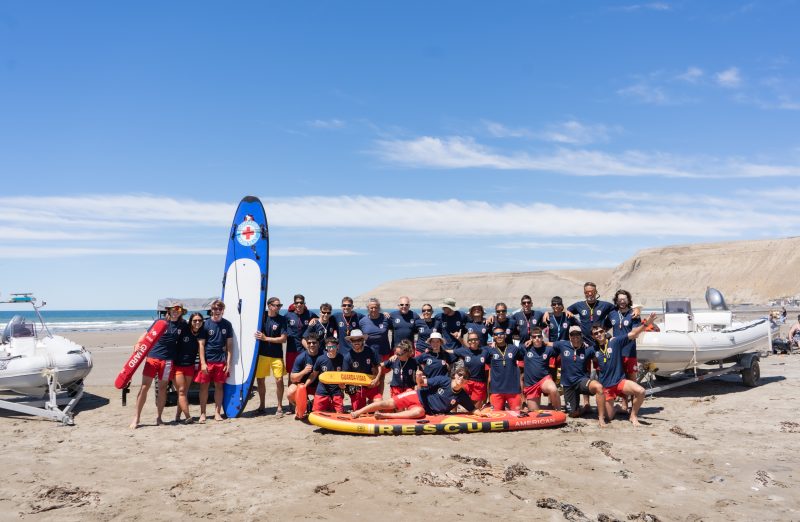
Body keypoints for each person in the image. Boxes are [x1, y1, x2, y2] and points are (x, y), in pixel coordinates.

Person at [591, 312, 657, 427]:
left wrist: (647, 323)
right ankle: (617, 408)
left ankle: (633, 416)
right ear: (593, 336)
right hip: (606, 387)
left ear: (605, 331)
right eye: (596, 333)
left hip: (619, 382)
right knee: (609, 417)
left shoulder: (615, 342)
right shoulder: (593, 349)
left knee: (641, 391)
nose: (599, 334)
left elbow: (633, 333)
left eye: (601, 331)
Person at [350, 366, 485, 420]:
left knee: (419, 413)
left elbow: (472, 409)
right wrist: (419, 377)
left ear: (467, 381)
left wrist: (483, 414)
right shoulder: (443, 380)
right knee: (387, 403)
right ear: (455, 375)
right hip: (416, 396)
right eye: (460, 375)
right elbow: (423, 383)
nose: (461, 378)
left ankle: (385, 416)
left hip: (424, 409)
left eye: (465, 377)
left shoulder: (461, 395)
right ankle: (358, 412)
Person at [129, 303, 186, 429]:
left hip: (168, 361)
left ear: (182, 312)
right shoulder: (160, 322)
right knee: (144, 387)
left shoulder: (182, 325)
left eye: (178, 309)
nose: (175, 311)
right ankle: (136, 417)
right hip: (153, 358)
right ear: (169, 310)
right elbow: (146, 334)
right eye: (173, 309)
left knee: (162, 389)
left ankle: (159, 417)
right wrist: (138, 343)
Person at [196, 299, 233, 422]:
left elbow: (229, 345)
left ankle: (217, 413)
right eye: (215, 309)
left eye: (219, 309)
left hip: (221, 361)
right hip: (208, 361)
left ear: (223, 310)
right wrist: (203, 363)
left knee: (219, 387)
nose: (217, 311)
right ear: (211, 310)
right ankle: (203, 414)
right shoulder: (205, 324)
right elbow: (201, 345)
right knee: (204, 388)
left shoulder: (227, 324)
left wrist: (228, 363)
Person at [555, 326, 603, 420]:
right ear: (569, 336)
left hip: (581, 381)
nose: (575, 337)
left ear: (581, 335)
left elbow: (599, 355)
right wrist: (531, 341)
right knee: (573, 414)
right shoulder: (562, 345)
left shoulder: (588, 348)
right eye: (573, 334)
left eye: (577, 334)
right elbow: (547, 343)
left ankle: (601, 417)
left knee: (598, 387)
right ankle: (583, 409)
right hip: (568, 384)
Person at [254, 297, 288, 416]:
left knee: (279, 380)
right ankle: (262, 406)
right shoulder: (261, 317)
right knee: (260, 380)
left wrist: (266, 338)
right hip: (262, 354)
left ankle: (279, 406)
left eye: (280, 305)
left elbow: (283, 339)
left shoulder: (282, 319)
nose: (279, 308)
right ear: (269, 306)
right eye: (276, 305)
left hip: (276, 355)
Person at [173, 312, 207, 424]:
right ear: (190, 321)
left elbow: (202, 347)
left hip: (190, 366)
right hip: (178, 366)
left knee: (183, 392)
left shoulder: (202, 332)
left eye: (199, 320)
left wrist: (203, 363)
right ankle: (188, 417)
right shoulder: (184, 329)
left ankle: (178, 415)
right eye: (195, 320)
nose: (197, 322)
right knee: (181, 391)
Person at [521, 327, 561, 412]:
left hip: (544, 380)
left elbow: (562, 348)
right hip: (531, 384)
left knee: (553, 389)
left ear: (542, 337)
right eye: (534, 337)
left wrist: (547, 343)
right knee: (534, 411)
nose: (537, 338)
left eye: (539, 336)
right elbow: (512, 349)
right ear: (531, 338)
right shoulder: (525, 348)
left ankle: (558, 411)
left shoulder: (548, 349)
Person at [485, 327, 524, 411]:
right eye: (496, 334)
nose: (499, 336)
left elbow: (526, 358)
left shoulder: (514, 348)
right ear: (493, 337)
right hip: (496, 390)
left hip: (513, 390)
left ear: (505, 335)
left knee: (516, 415)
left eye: (501, 334)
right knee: (496, 416)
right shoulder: (489, 350)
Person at [342, 329, 382, 410]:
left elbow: (379, 366)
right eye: (354, 340)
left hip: (370, 382)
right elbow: (345, 374)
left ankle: (371, 406)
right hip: (356, 385)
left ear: (363, 340)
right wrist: (347, 385)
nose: (356, 342)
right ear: (350, 341)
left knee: (379, 403)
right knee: (359, 410)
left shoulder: (370, 351)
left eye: (359, 340)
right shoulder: (347, 357)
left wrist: (377, 379)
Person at [307, 338, 346, 413]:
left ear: (338, 346)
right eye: (329, 347)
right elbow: (313, 375)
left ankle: (331, 405)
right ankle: (312, 403)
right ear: (326, 347)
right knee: (316, 412)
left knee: (340, 413)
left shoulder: (342, 358)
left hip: (336, 390)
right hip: (322, 389)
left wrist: (343, 384)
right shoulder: (320, 359)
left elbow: (345, 374)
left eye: (333, 347)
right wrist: (305, 385)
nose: (331, 349)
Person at [287, 334, 322, 416]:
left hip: (320, 387)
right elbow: (292, 378)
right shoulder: (301, 357)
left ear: (318, 344)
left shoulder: (324, 355)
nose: (311, 345)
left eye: (314, 343)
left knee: (321, 409)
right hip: (304, 387)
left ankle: (312, 403)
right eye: (309, 343)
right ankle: (301, 405)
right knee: (290, 392)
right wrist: (303, 372)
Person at [453, 331, 490, 408]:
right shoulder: (464, 351)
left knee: (476, 409)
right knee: (454, 400)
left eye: (475, 339)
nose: (473, 341)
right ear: (468, 341)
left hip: (479, 383)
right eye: (471, 340)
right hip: (466, 381)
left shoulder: (485, 351)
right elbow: (450, 351)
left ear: (478, 341)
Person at [285, 294, 318, 374]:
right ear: (294, 304)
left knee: (306, 372)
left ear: (304, 304)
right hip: (291, 349)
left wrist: (315, 319)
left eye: (301, 303)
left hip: (305, 349)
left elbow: (320, 319)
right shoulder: (288, 315)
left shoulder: (310, 314)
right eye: (297, 303)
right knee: (291, 373)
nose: (299, 304)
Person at [359, 298, 393, 363]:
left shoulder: (386, 319)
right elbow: (359, 337)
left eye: (376, 307)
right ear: (368, 308)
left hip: (384, 353)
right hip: (368, 353)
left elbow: (395, 330)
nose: (374, 310)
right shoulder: (362, 321)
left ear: (379, 308)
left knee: (383, 369)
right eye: (371, 308)